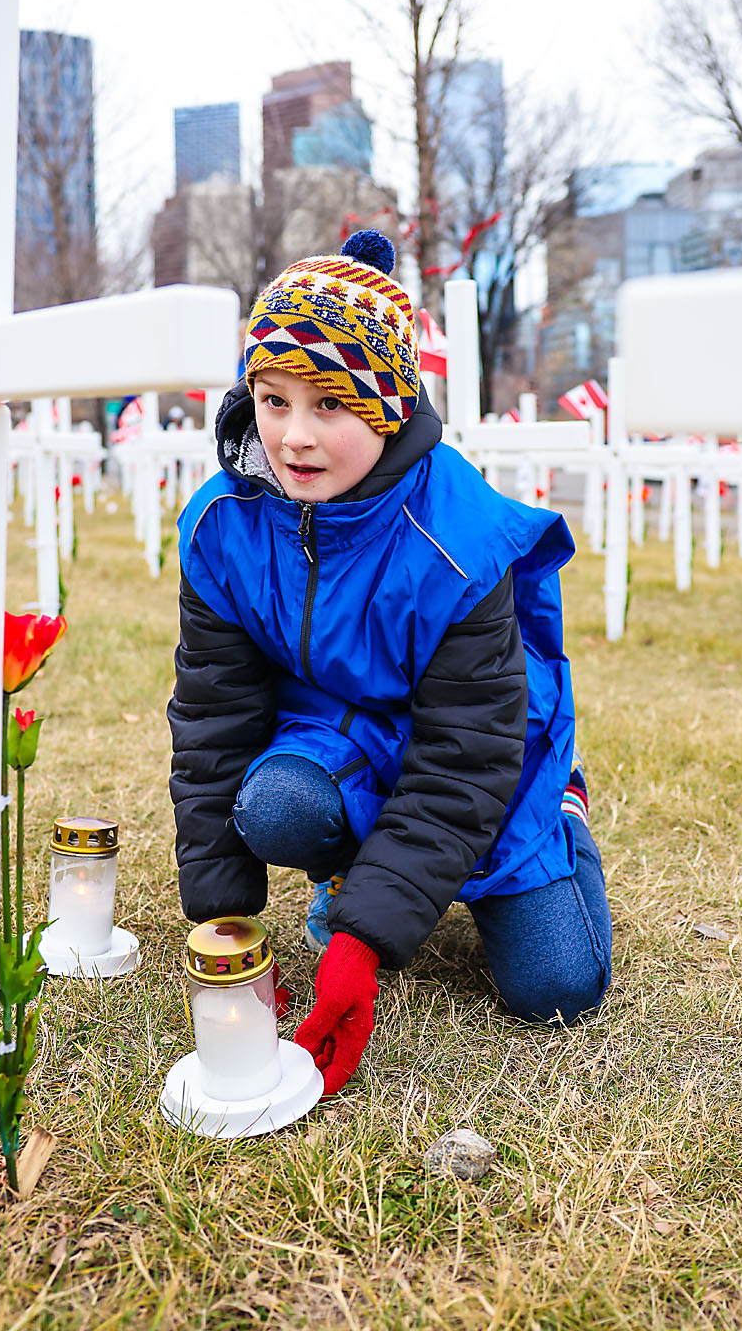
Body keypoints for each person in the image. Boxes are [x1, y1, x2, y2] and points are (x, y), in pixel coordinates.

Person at [167, 229, 612, 1097]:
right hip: (343, 737)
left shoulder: (455, 544)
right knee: (278, 806)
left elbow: (462, 761)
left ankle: (563, 813)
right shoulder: (223, 527)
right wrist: (224, 913)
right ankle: (349, 870)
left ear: (387, 407)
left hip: (480, 753)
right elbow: (215, 718)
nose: (293, 436)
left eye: (328, 405)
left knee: (556, 990)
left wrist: (363, 946)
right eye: (272, 397)